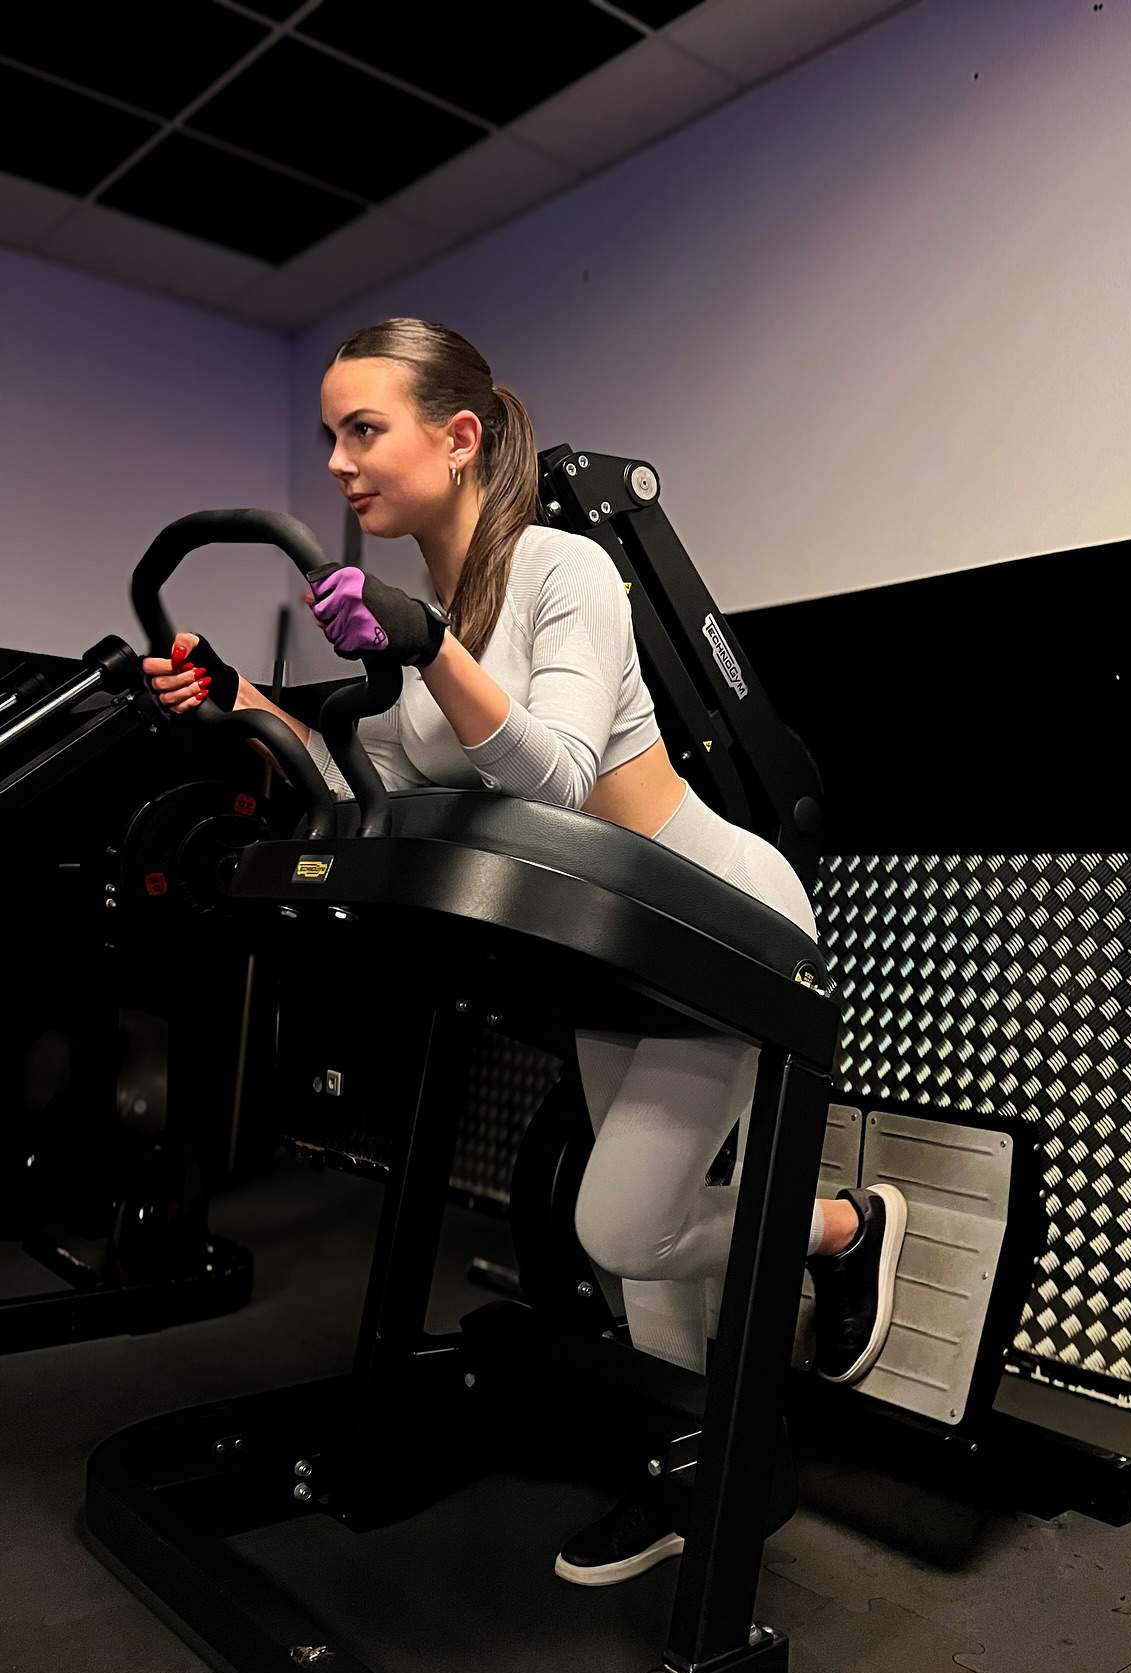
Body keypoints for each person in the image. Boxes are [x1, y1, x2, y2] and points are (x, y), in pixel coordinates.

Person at [142, 317, 909, 1586]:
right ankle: (687, 1470)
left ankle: (842, 1229)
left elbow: (554, 776)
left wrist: (427, 645)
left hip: (721, 918)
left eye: (363, 430)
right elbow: (367, 787)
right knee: (641, 1256)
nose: (336, 462)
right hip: (613, 946)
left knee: (622, 1230)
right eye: (329, 435)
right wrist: (247, 708)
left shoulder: (565, 569)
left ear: (458, 438)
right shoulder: (424, 624)